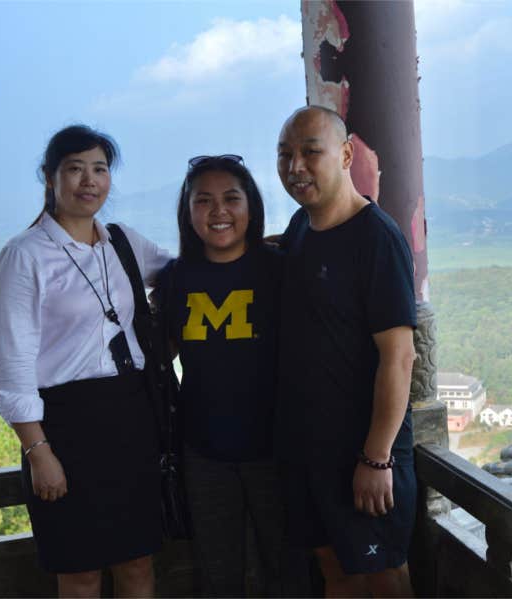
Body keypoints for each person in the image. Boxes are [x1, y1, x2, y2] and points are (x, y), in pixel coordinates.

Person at [0, 125, 171, 596]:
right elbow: (11, 366)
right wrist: (38, 452)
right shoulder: (24, 256)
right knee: (80, 572)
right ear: (49, 178)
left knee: (137, 562)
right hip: (64, 428)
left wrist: (262, 249)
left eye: (100, 169)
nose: (89, 181)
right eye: (74, 169)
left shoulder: (122, 242)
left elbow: (182, 271)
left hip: (132, 417)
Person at [275, 105, 418, 597]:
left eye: (310, 153)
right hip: (308, 447)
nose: (295, 167)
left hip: (365, 449)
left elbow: (399, 357)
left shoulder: (376, 238)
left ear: (345, 154)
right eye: (285, 154)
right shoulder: (299, 230)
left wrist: (377, 458)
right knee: (333, 568)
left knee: (383, 575)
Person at [155, 154, 301, 596]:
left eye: (231, 198)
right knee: (218, 576)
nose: (218, 211)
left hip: (278, 449)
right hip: (205, 453)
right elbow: (161, 355)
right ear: (188, 212)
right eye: (204, 201)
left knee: (289, 570)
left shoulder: (279, 270)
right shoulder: (176, 279)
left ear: (251, 207)